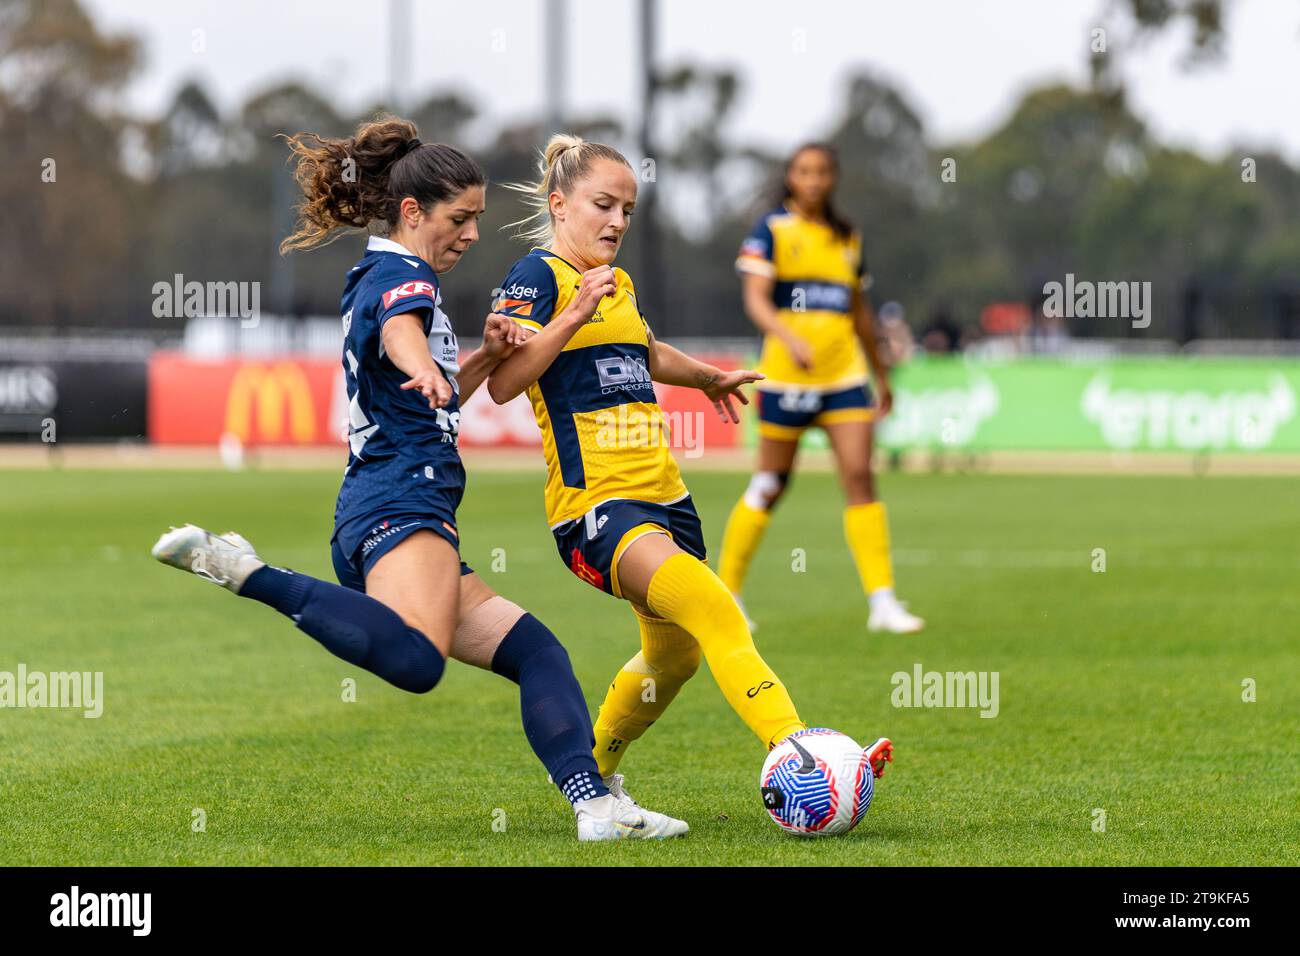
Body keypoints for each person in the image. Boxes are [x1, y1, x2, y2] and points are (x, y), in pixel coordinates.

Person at [150, 117, 686, 841]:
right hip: (398, 502)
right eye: (459, 219)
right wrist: (421, 363)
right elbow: (403, 336)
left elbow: (428, 392)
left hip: (396, 503)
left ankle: (597, 808)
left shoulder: (386, 274)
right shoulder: (401, 276)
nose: (470, 234)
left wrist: (479, 358)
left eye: (478, 220)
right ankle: (245, 571)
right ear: (412, 213)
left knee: (536, 653)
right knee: (416, 661)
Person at [486, 134, 894, 796]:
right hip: (597, 509)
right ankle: (801, 754)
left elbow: (643, 349)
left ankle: (594, 783)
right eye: (603, 204)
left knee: (673, 657)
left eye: (627, 209)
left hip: (665, 500)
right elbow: (503, 382)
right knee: (715, 608)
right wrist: (574, 313)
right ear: (560, 205)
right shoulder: (538, 277)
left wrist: (707, 377)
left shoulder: (616, 282)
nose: (617, 221)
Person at [718, 143, 924, 634]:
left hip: (844, 378)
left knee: (859, 477)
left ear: (833, 178)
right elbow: (756, 300)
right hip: (785, 377)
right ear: (791, 177)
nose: (813, 180)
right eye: (804, 171)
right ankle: (728, 594)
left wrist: (883, 374)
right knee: (770, 484)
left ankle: (883, 602)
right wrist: (789, 336)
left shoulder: (847, 236)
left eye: (822, 172)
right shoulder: (770, 230)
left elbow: (859, 310)